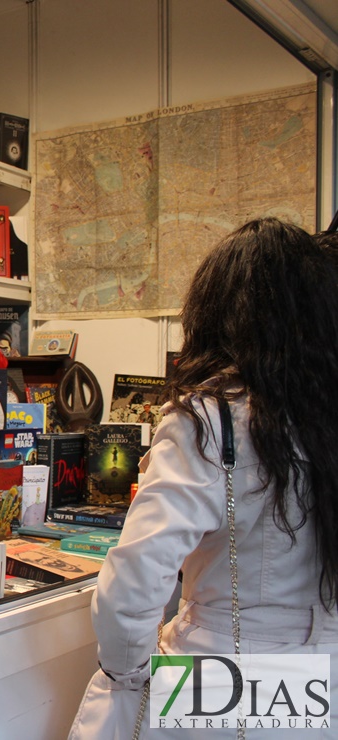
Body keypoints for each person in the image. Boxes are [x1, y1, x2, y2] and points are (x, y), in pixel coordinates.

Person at [70, 218, 338, 738]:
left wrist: (129, 672)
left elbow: (132, 587)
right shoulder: (325, 418)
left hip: (219, 682)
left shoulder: (209, 420)